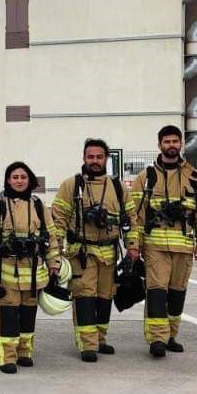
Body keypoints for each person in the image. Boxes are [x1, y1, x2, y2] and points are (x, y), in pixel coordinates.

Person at [126, 125, 197, 357]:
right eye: (167, 142)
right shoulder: (145, 178)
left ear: (181, 144)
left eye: (175, 141)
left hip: (184, 246)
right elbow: (135, 213)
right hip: (155, 246)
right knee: (156, 292)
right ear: (159, 145)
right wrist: (134, 245)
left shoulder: (194, 177)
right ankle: (157, 340)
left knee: (177, 293)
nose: (171, 145)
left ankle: (171, 335)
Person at [0, 161, 61, 374]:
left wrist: (54, 264)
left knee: (28, 313)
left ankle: (24, 352)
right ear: (8, 180)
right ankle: (6, 357)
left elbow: (51, 237)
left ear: (29, 180)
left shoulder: (39, 206)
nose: (19, 181)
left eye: (23, 177)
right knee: (8, 314)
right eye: (15, 177)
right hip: (6, 271)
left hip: (33, 273)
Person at [53, 139, 127, 362]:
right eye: (90, 157)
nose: (94, 161)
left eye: (99, 157)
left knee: (105, 298)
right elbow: (58, 220)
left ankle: (100, 339)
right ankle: (87, 345)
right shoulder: (70, 186)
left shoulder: (117, 187)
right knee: (84, 297)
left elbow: (130, 219)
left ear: (106, 158)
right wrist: (55, 252)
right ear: (83, 158)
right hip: (81, 254)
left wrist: (132, 248)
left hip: (110, 253)